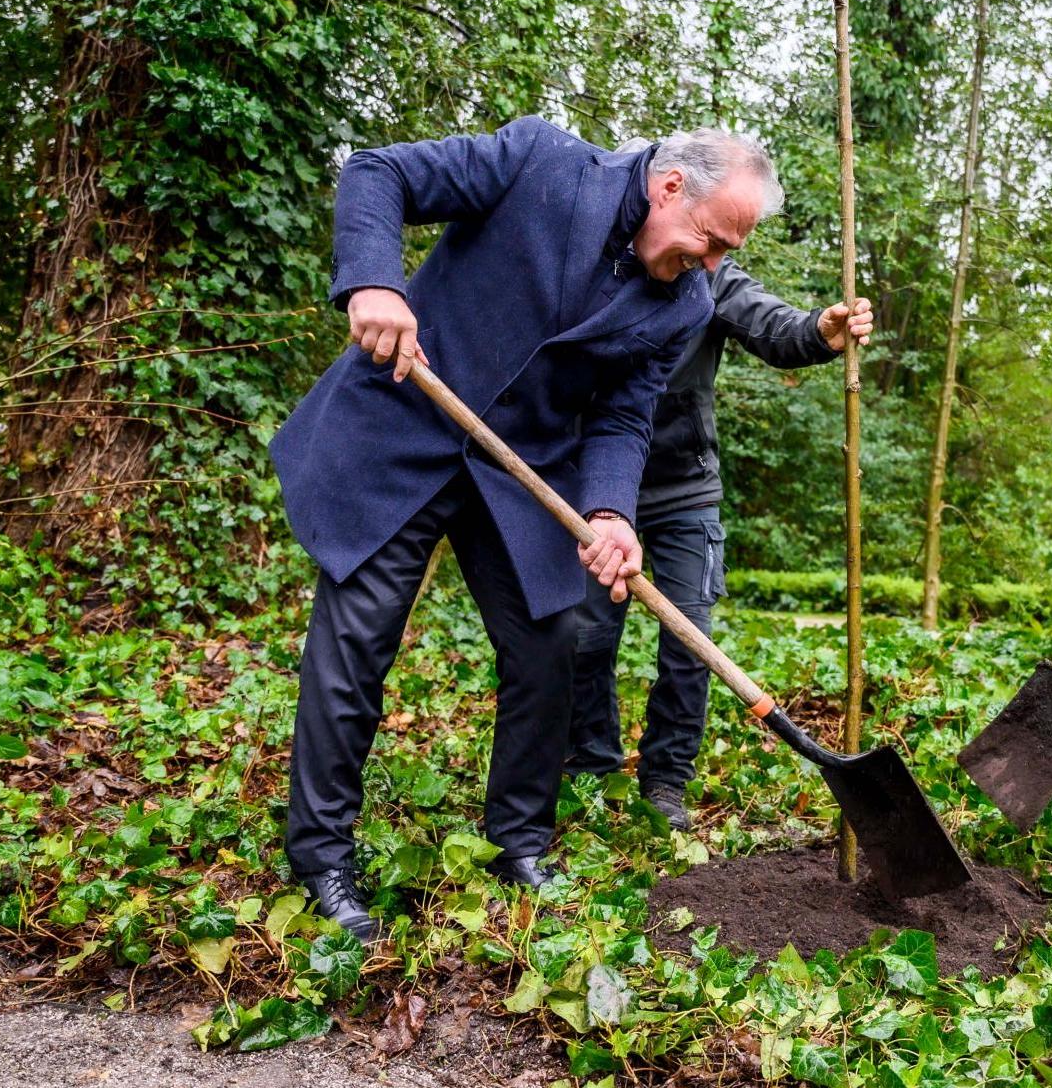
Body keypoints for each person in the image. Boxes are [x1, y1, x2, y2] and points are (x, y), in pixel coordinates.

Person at [270, 120, 783, 938]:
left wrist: (612, 510)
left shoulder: (683, 302)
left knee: (553, 647)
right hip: (403, 428)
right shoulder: (538, 162)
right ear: (669, 187)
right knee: (357, 644)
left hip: (518, 475)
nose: (713, 264)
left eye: (727, 250)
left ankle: (517, 845)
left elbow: (622, 416)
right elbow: (376, 173)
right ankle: (323, 859)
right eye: (709, 240)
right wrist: (372, 282)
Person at [563, 197, 873, 829]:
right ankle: (591, 769)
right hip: (590, 491)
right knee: (586, 637)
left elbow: (770, 325)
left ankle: (666, 782)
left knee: (689, 641)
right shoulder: (589, 266)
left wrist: (821, 330)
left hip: (684, 489)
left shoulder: (708, 273)